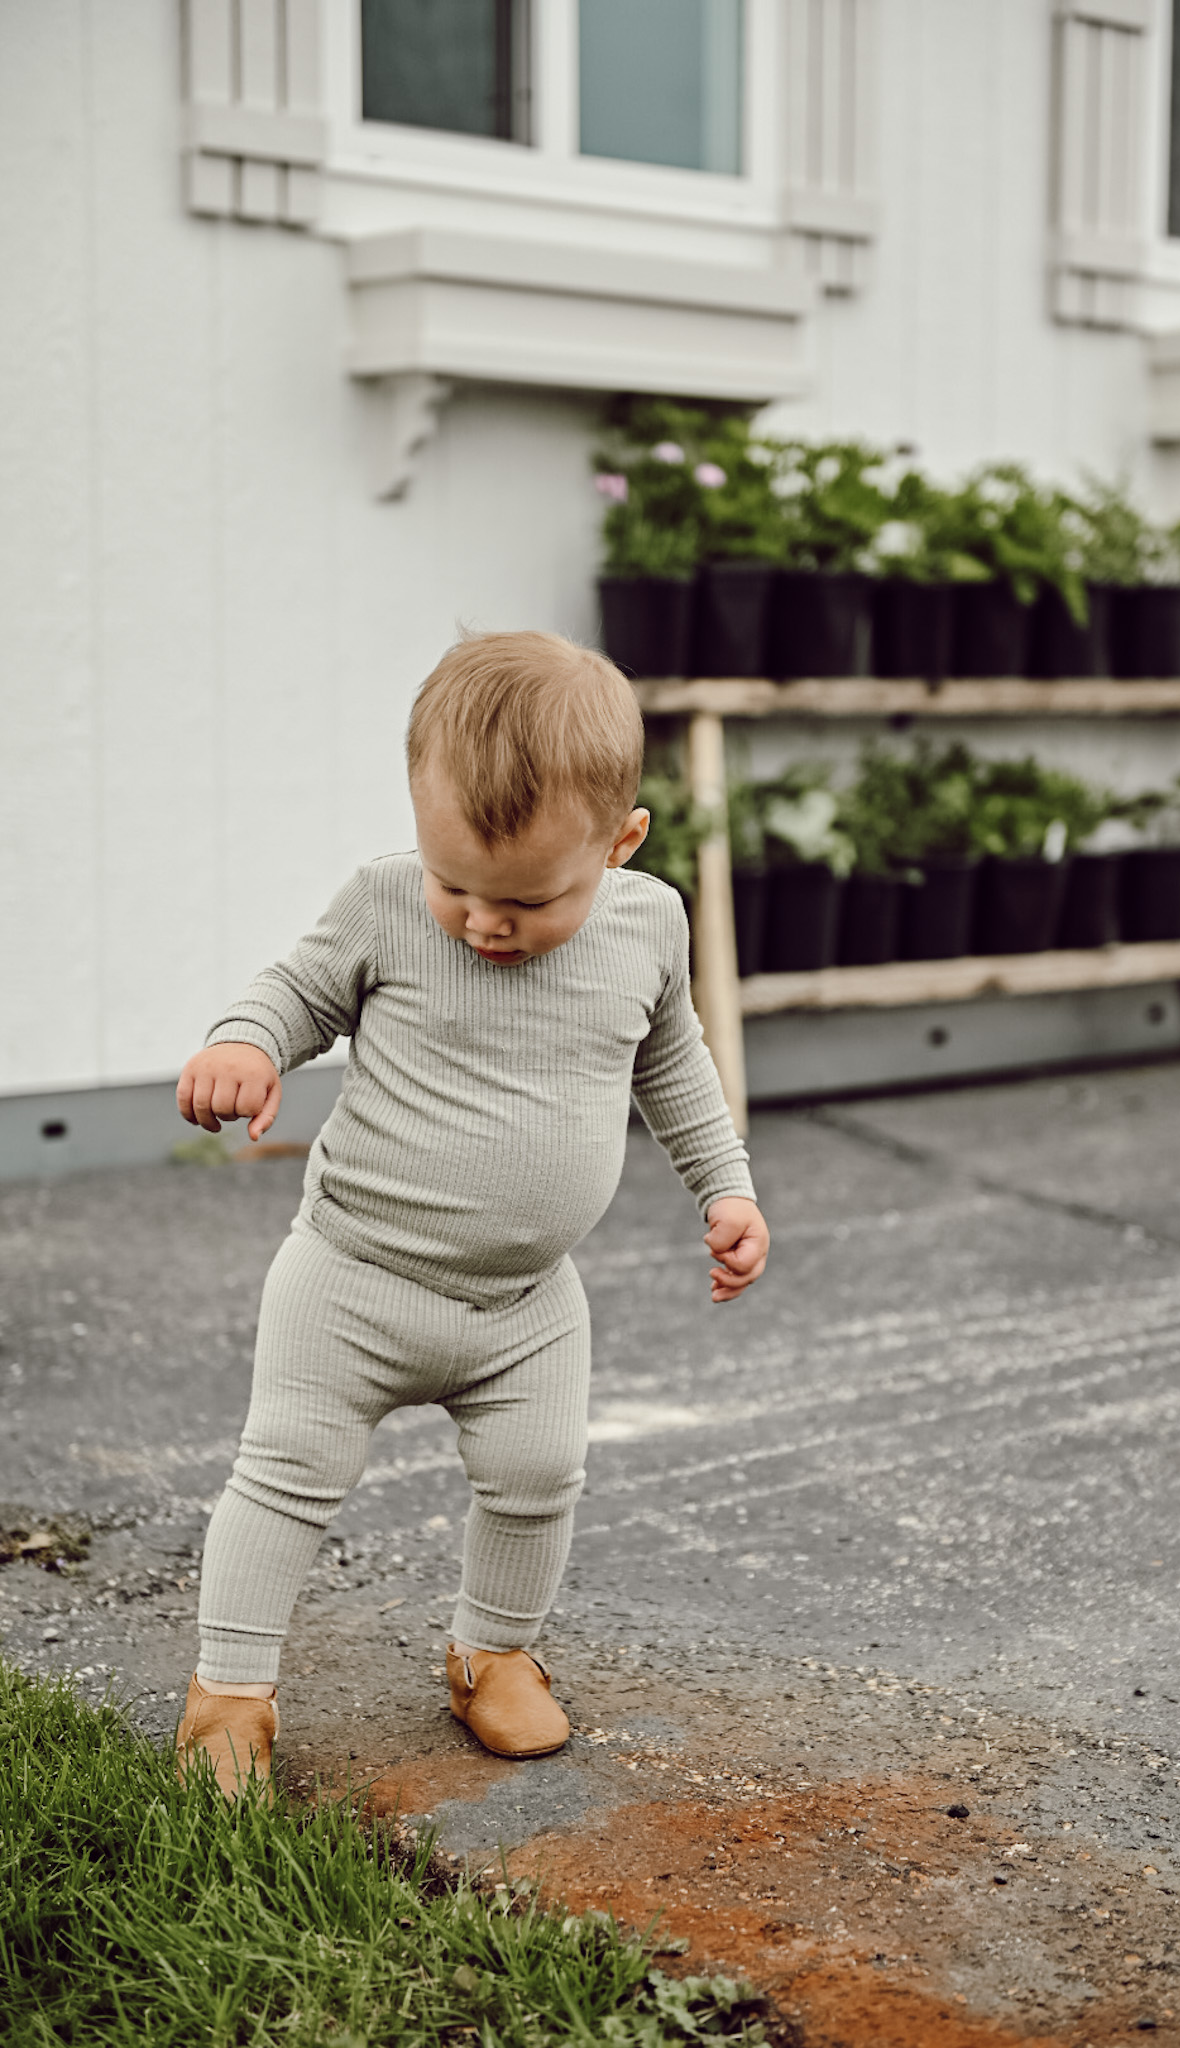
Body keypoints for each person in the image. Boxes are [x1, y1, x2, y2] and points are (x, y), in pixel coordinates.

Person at [172, 631, 769, 1795]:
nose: (485, 922)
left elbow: (675, 1065)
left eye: (528, 897)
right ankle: (230, 1693)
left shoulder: (648, 925)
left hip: (526, 1301)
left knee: (540, 1475)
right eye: (458, 885)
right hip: (352, 1278)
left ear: (622, 839)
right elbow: (295, 989)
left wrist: (727, 1182)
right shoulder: (386, 904)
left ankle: (492, 1649)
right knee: (286, 1472)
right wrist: (246, 1043)